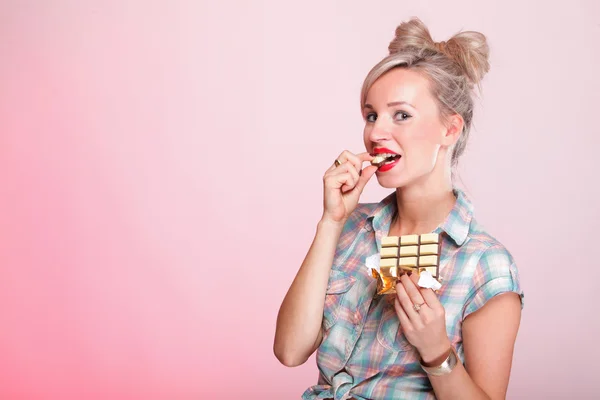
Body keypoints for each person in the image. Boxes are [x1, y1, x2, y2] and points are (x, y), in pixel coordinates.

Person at [274, 17, 524, 400]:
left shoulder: (485, 265)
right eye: (371, 115)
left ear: (450, 130)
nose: (375, 133)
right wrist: (331, 220)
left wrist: (436, 351)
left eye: (401, 115)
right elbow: (290, 351)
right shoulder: (352, 228)